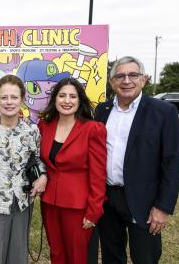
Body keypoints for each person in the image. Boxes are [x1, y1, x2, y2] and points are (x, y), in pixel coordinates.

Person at [95, 56, 179, 264]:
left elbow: (172, 162)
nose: (126, 80)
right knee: (111, 256)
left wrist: (163, 207)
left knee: (145, 258)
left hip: (144, 201)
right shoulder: (102, 111)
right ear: (112, 81)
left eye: (133, 75)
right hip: (108, 198)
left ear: (143, 79)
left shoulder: (163, 112)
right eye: (120, 75)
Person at [0, 74, 48, 264]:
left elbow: (37, 160)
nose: (9, 102)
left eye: (14, 97)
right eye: (4, 97)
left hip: (22, 204)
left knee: (17, 258)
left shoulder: (31, 131)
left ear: (22, 99)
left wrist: (43, 177)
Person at [38, 77, 107, 264]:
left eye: (72, 96)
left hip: (79, 206)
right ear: (55, 99)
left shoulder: (93, 129)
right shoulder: (44, 126)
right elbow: (38, 160)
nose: (67, 101)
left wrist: (94, 211)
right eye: (62, 95)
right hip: (49, 202)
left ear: (79, 100)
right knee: (56, 254)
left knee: (77, 257)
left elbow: (98, 174)